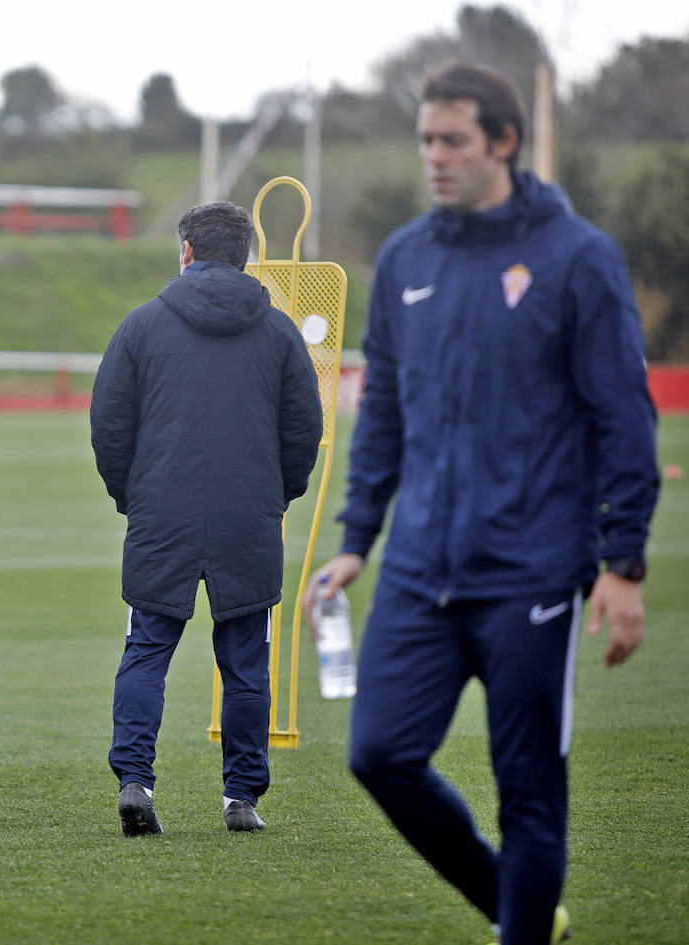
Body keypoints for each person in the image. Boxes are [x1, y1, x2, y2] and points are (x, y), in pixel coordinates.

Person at [304, 64, 659, 945]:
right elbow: (383, 408)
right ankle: (520, 907)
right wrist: (358, 538)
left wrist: (624, 564)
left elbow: (624, 416)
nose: (435, 157)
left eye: (453, 140)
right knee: (379, 753)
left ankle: (523, 930)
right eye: (426, 140)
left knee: (530, 791)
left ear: (502, 142)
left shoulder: (578, 257)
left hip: (533, 574)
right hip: (422, 568)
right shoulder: (406, 258)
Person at [91, 201, 323, 836]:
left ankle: (135, 780)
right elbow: (305, 430)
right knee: (247, 661)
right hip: (248, 516)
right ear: (244, 256)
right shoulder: (279, 332)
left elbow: (109, 427)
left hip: (160, 513)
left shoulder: (140, 326)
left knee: (146, 650)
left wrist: (130, 497)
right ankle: (241, 798)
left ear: (187, 251)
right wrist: (275, 496)